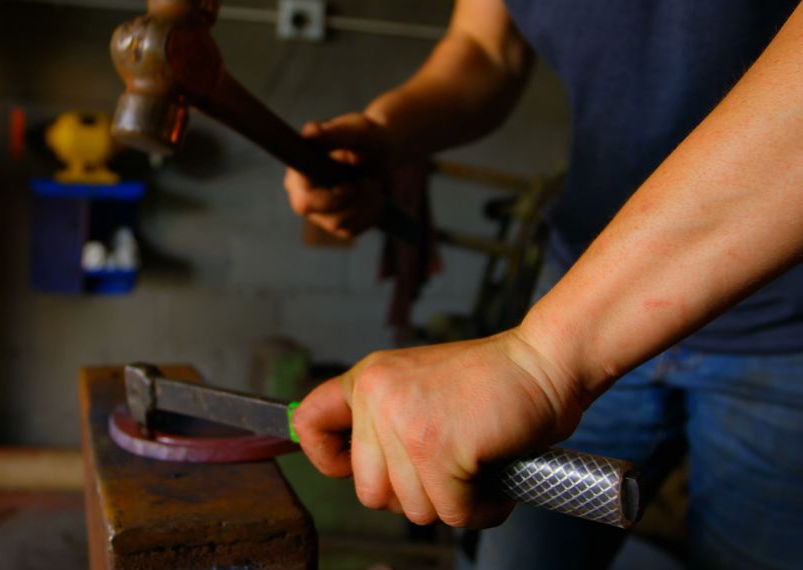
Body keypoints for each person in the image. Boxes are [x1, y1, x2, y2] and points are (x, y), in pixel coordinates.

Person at [283, 1, 803, 568]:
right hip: (581, 281)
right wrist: (388, 133)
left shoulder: (547, 357)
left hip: (787, 326)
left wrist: (538, 362)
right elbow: (486, 50)